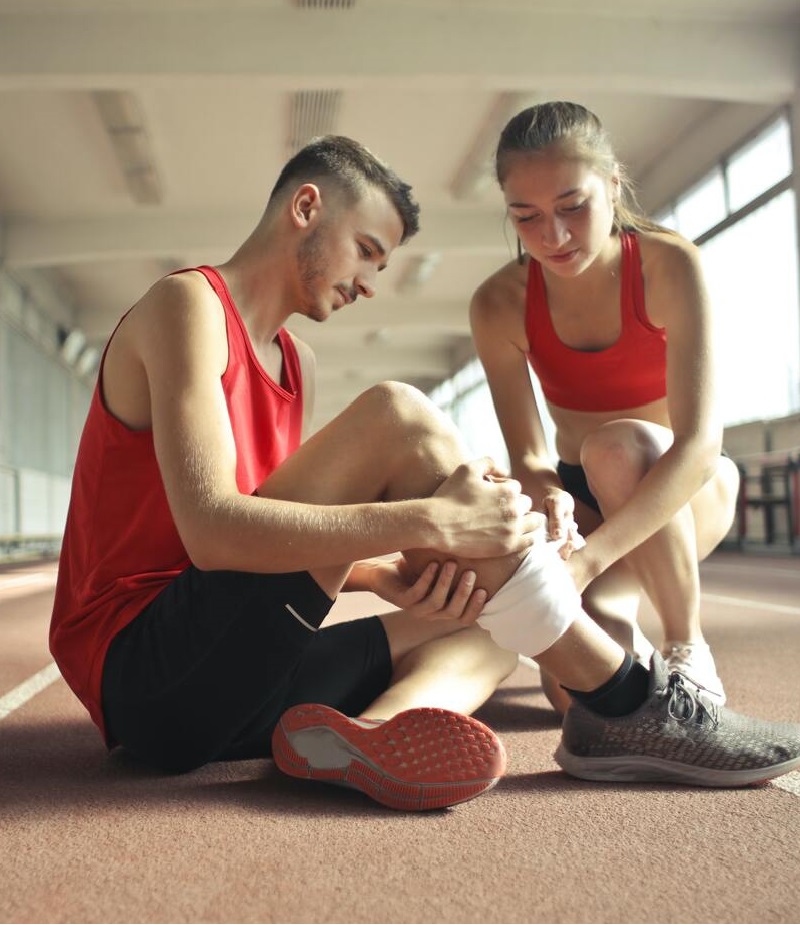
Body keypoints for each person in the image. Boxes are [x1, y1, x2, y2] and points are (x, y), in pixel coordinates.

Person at [50, 135, 800, 814]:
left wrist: (388, 574)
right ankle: (628, 699)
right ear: (306, 207)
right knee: (397, 414)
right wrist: (429, 523)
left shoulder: (295, 362)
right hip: (148, 675)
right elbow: (214, 532)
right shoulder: (188, 306)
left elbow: (268, 542)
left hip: (227, 689)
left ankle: (368, 734)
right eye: (367, 250)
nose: (370, 284)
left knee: (492, 614)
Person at [470, 101, 741, 714]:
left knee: (617, 447)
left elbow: (699, 446)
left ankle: (686, 645)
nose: (553, 236)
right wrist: (551, 500)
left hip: (683, 487)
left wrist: (588, 562)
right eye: (526, 216)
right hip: (585, 500)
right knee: (577, 696)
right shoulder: (499, 304)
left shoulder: (671, 266)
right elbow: (532, 454)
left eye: (573, 207)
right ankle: (623, 624)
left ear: (613, 185)